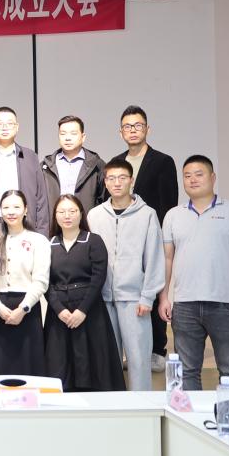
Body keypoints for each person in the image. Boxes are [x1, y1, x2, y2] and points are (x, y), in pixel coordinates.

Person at [158, 155, 229, 391]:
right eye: (187, 176)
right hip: (184, 305)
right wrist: (163, 297)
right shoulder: (173, 215)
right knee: (187, 372)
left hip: (225, 305)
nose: (192, 180)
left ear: (212, 177)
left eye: (199, 174)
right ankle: (191, 415)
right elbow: (167, 259)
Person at [86, 158, 166, 391]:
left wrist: (148, 297)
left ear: (131, 180)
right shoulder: (94, 215)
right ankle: (111, 408)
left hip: (135, 300)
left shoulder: (147, 214)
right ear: (105, 182)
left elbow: (154, 257)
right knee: (106, 362)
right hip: (102, 300)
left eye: (122, 178)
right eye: (111, 178)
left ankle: (141, 407)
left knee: (138, 360)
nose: (117, 183)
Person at [115, 105, 178, 373]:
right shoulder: (116, 162)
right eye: (128, 126)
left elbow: (168, 203)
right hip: (125, 241)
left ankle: (156, 350)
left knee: (153, 290)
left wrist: (164, 240)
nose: (133, 130)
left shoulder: (163, 162)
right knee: (129, 295)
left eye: (138, 125)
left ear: (147, 129)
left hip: (153, 237)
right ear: (121, 132)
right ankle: (129, 350)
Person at [44, 195, 125, 392]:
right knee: (58, 366)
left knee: (95, 365)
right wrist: (59, 310)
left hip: (89, 312)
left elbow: (98, 278)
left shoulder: (93, 241)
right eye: (62, 212)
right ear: (55, 216)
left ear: (81, 214)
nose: (67, 216)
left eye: (72, 211)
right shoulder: (49, 244)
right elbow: (45, 281)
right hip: (59, 315)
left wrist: (82, 310)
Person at [0, 189, 50, 376]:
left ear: (25, 209)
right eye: (6, 207)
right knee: (0, 366)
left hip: (28, 308)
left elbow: (41, 281)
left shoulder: (38, 240)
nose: (11, 212)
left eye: (16, 207)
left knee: (29, 366)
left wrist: (23, 309)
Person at [0, 107, 49, 233]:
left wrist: (42, 234)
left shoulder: (30, 157)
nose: (4, 128)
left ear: (17, 127)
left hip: (24, 226)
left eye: (9, 124)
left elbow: (41, 199)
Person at [41, 115, 106, 215]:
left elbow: (104, 200)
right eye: (63, 134)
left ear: (83, 137)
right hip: (54, 222)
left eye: (73, 133)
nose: (67, 138)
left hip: (86, 222)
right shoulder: (46, 166)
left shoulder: (96, 164)